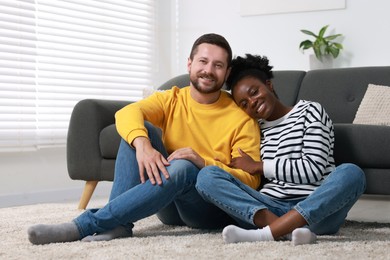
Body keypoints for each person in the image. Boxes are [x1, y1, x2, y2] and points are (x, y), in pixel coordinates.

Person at [27, 34, 262, 245]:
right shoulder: (173, 98)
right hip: (166, 203)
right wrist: (142, 144)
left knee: (185, 166)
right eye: (203, 61)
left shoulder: (240, 117)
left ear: (227, 73)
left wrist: (202, 162)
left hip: (206, 209)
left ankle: (84, 225)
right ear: (190, 64)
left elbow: (251, 181)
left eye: (218, 65)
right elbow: (127, 113)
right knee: (140, 131)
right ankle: (119, 225)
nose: (208, 70)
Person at [195, 54, 366, 246]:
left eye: (254, 92)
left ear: (269, 85)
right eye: (244, 104)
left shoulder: (310, 111)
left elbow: (313, 169)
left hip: (318, 209)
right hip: (269, 208)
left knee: (352, 173)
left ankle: (265, 234)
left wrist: (259, 166)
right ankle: (285, 230)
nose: (251, 102)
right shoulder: (254, 128)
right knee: (206, 177)